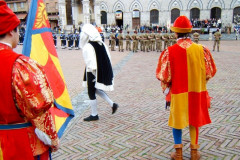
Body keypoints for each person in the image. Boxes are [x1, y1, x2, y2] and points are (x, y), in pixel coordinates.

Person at [0, 1, 59, 159]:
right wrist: (53, 140)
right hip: (27, 144)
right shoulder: (21, 66)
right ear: (11, 31)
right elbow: (41, 111)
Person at [156, 16, 217, 160]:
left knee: (177, 119)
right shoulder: (201, 50)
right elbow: (210, 71)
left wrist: (167, 86)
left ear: (176, 33)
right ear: (189, 32)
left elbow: (164, 75)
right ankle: (194, 153)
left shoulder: (169, 51)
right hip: (197, 91)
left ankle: (178, 154)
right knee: (195, 118)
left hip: (178, 92)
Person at [80, 24, 119, 121]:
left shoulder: (89, 46)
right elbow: (108, 58)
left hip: (92, 71)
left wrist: (93, 74)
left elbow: (90, 62)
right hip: (99, 70)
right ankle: (112, 104)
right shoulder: (102, 44)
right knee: (95, 90)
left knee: (91, 91)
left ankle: (94, 114)